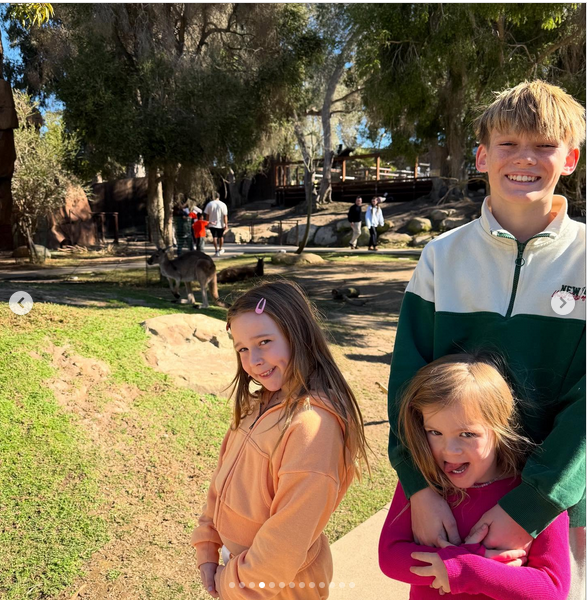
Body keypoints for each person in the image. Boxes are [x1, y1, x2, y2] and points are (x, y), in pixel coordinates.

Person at [386, 80, 585, 598]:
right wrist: (420, 489)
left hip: (562, 504)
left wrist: (533, 505)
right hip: (455, 492)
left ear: (570, 159)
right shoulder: (441, 257)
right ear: (481, 155)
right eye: (508, 144)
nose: (525, 159)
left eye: (544, 145)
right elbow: (408, 383)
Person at [191, 281, 370, 599]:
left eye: (264, 342)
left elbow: (286, 540)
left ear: (297, 335)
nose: (253, 360)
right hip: (247, 571)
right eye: (242, 348)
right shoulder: (258, 404)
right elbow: (220, 483)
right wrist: (208, 545)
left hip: (283, 587)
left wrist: (233, 582)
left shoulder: (313, 427)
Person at [379, 353, 571, 599]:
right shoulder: (423, 483)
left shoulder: (534, 492)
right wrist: (469, 562)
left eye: (467, 434)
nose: (450, 449)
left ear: (500, 428)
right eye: (435, 432)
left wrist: (466, 569)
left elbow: (551, 589)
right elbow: (390, 556)